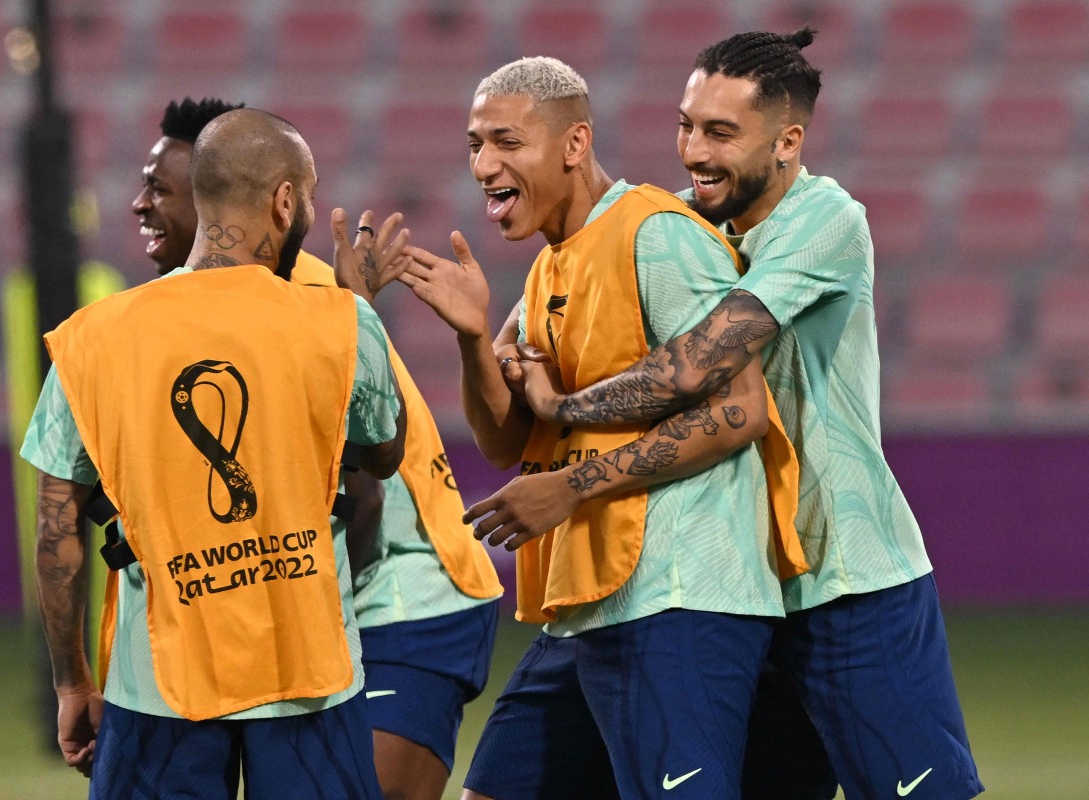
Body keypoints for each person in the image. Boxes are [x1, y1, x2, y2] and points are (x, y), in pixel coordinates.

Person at [509, 31, 984, 800]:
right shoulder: (685, 228)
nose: (694, 150)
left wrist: (564, 405)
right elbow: (533, 325)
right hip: (736, 587)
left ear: (789, 141)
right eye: (686, 124)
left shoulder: (823, 220)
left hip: (848, 575)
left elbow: (700, 363)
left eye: (721, 132)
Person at [399, 56, 805, 800]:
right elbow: (507, 441)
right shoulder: (550, 268)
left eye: (506, 142)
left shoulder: (655, 237)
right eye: (474, 144)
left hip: (681, 597)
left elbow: (740, 408)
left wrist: (573, 487)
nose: (484, 164)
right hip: (592, 600)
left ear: (574, 144)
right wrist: (470, 336)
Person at [22, 108, 404, 799]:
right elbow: (380, 456)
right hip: (309, 678)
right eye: (309, 197)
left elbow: (58, 529)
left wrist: (71, 678)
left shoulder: (92, 339)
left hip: (157, 685)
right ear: (285, 200)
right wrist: (360, 318)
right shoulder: (342, 323)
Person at [132, 97, 505, 800]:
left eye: (160, 190)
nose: (139, 205)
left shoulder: (289, 297)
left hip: (405, 598)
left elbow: (358, 496)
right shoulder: (202, 305)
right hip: (321, 611)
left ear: (219, 193)